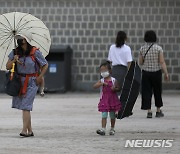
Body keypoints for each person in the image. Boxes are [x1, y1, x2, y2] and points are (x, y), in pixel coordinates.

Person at [6, 32, 48, 137]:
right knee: (25, 106)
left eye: (21, 38)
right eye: (18, 38)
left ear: (26, 39)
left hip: (32, 81)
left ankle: (24, 130)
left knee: (26, 106)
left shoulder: (35, 52)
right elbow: (7, 66)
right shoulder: (15, 52)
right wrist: (14, 60)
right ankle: (30, 130)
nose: (19, 40)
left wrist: (40, 76)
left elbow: (45, 64)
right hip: (19, 81)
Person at [138, 30, 169, 118]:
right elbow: (162, 62)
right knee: (157, 91)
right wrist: (166, 73)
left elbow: (140, 62)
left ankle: (149, 111)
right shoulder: (158, 48)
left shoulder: (142, 48)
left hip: (146, 73)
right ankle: (158, 110)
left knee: (147, 91)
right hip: (156, 73)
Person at [93, 61, 121, 136]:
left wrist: (114, 88)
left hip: (112, 100)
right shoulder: (102, 80)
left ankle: (112, 128)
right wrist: (101, 84)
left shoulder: (114, 80)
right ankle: (103, 128)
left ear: (110, 71)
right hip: (104, 100)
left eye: (104, 70)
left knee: (112, 115)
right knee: (104, 115)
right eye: (101, 71)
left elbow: (118, 88)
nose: (103, 72)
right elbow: (95, 86)